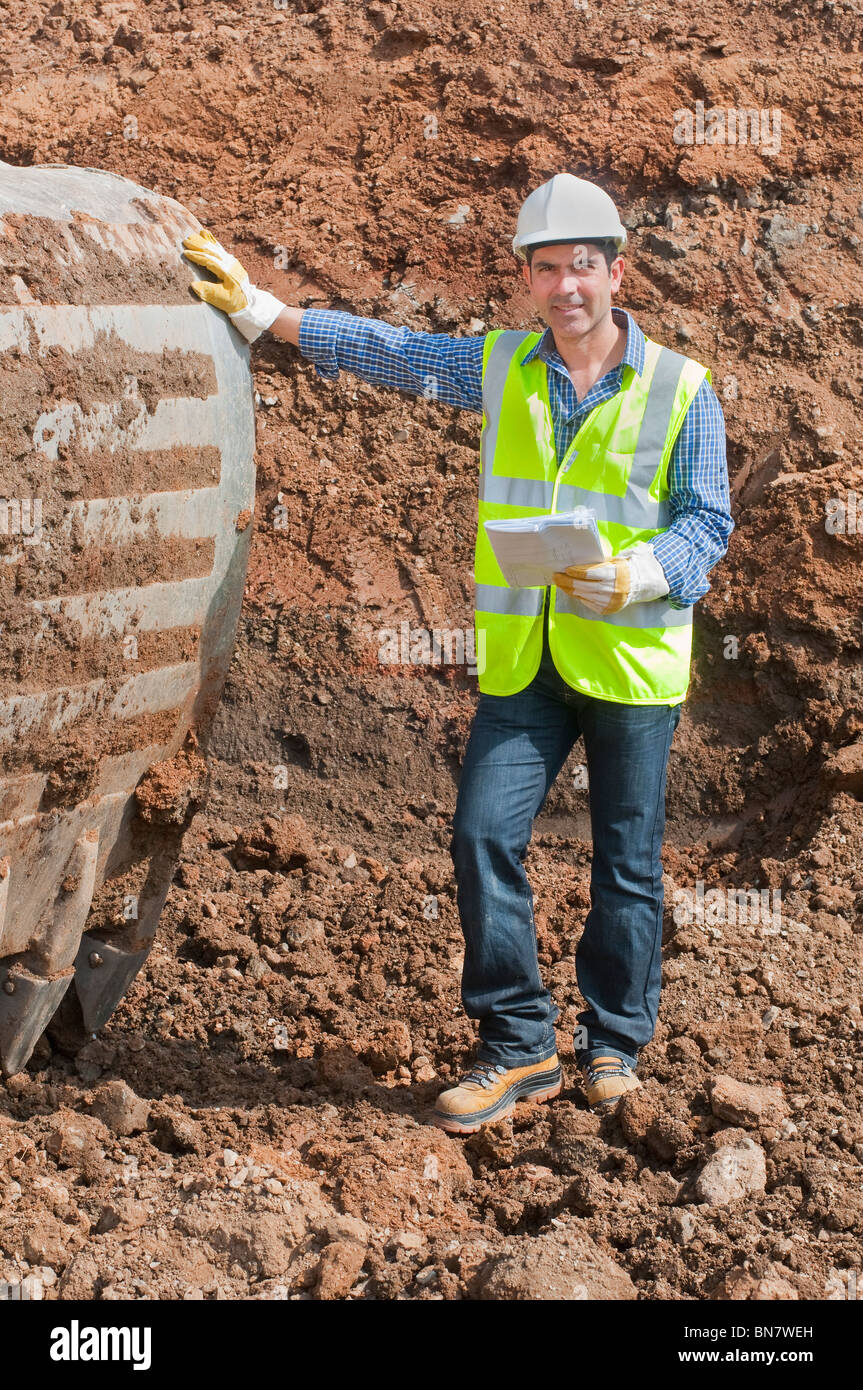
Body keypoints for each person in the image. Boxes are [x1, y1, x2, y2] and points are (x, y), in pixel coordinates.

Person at [181, 172, 733, 1134]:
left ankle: (613, 1045)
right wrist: (267, 312)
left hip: (631, 663)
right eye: (547, 269)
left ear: (616, 272)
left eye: (583, 268)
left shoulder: (680, 387)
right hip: (526, 658)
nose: (566, 287)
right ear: (527, 279)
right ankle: (519, 1046)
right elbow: (394, 353)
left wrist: (641, 574)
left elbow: (707, 521)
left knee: (627, 864)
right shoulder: (504, 366)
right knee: (482, 833)